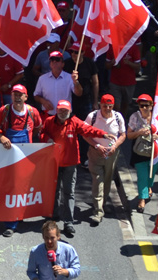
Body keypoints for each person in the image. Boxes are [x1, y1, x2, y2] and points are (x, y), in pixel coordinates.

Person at [40, 100, 105, 238]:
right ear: (56, 110)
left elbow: (88, 130)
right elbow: (42, 133)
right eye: (61, 110)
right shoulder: (49, 121)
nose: (63, 112)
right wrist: (47, 138)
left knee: (69, 193)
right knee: (54, 191)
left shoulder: (74, 122)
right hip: (54, 164)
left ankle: (68, 222)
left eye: (66, 110)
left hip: (70, 164)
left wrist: (103, 134)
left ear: (70, 112)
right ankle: (53, 216)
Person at [82, 94, 125, 224]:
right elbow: (84, 133)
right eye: (105, 106)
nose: (107, 109)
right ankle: (98, 211)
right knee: (98, 180)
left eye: (110, 106)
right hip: (96, 153)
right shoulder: (92, 116)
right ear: (100, 105)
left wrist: (115, 146)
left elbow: (123, 134)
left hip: (112, 154)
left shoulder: (118, 117)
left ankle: (102, 203)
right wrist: (96, 145)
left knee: (107, 179)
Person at [126, 94, 158, 212]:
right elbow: (128, 135)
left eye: (147, 105)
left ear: (152, 105)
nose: (144, 108)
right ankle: (142, 199)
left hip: (154, 151)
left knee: (152, 173)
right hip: (139, 151)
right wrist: (139, 132)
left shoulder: (157, 116)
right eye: (141, 105)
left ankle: (149, 187)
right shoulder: (134, 117)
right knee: (142, 176)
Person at [34, 50, 82, 116]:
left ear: (63, 64)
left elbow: (79, 93)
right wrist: (43, 101)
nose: (54, 62)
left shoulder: (70, 77)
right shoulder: (42, 78)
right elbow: (36, 95)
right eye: (52, 60)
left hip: (64, 115)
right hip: (47, 115)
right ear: (50, 64)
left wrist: (76, 81)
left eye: (57, 59)